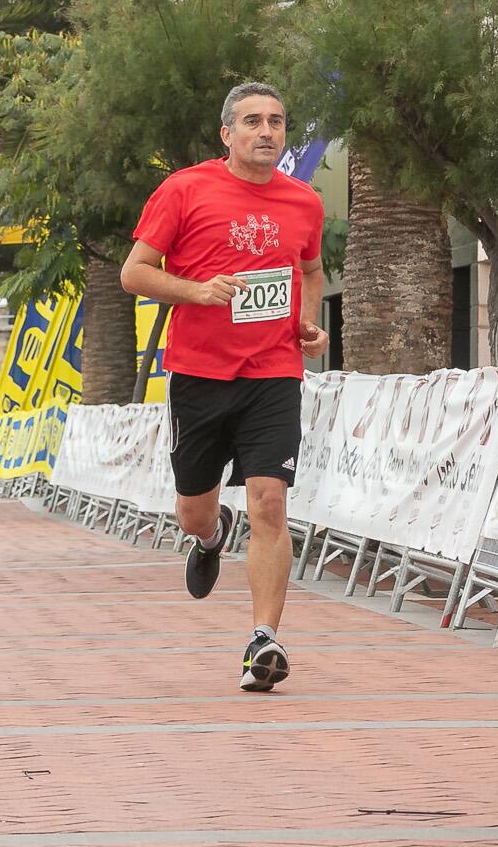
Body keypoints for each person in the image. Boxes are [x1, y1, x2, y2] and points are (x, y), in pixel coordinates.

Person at [121, 82, 326, 692]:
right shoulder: (185, 189)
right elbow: (135, 273)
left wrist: (307, 323)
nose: (266, 132)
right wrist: (197, 290)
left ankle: (263, 638)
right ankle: (211, 538)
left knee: (269, 500)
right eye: (253, 122)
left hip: (273, 374)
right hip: (198, 377)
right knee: (192, 510)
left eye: (277, 122)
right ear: (226, 134)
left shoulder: (304, 202)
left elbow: (310, 270)